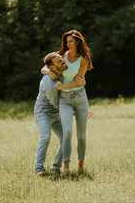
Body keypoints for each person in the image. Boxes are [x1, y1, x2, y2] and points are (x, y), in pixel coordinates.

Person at [46, 30, 93, 176]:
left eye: (71, 41)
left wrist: (63, 87)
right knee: (67, 133)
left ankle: (80, 166)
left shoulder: (83, 59)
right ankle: (65, 167)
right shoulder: (61, 57)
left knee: (81, 135)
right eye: (67, 42)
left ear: (78, 42)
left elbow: (78, 81)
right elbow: (45, 66)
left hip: (80, 98)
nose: (68, 44)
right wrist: (48, 72)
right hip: (64, 100)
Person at [34, 52, 85, 176]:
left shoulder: (61, 71)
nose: (63, 62)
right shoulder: (50, 85)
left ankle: (55, 166)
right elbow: (57, 106)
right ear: (53, 68)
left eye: (61, 59)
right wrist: (74, 111)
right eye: (59, 62)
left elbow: (45, 67)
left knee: (65, 139)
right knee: (46, 137)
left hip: (56, 110)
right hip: (44, 112)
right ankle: (38, 169)